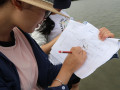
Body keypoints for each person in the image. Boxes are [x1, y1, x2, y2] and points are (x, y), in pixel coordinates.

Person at [0, 0, 87, 90]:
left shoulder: (20, 33)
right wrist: (66, 71)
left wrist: (93, 48)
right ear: (18, 2)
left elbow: (46, 73)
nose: (45, 18)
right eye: (46, 11)